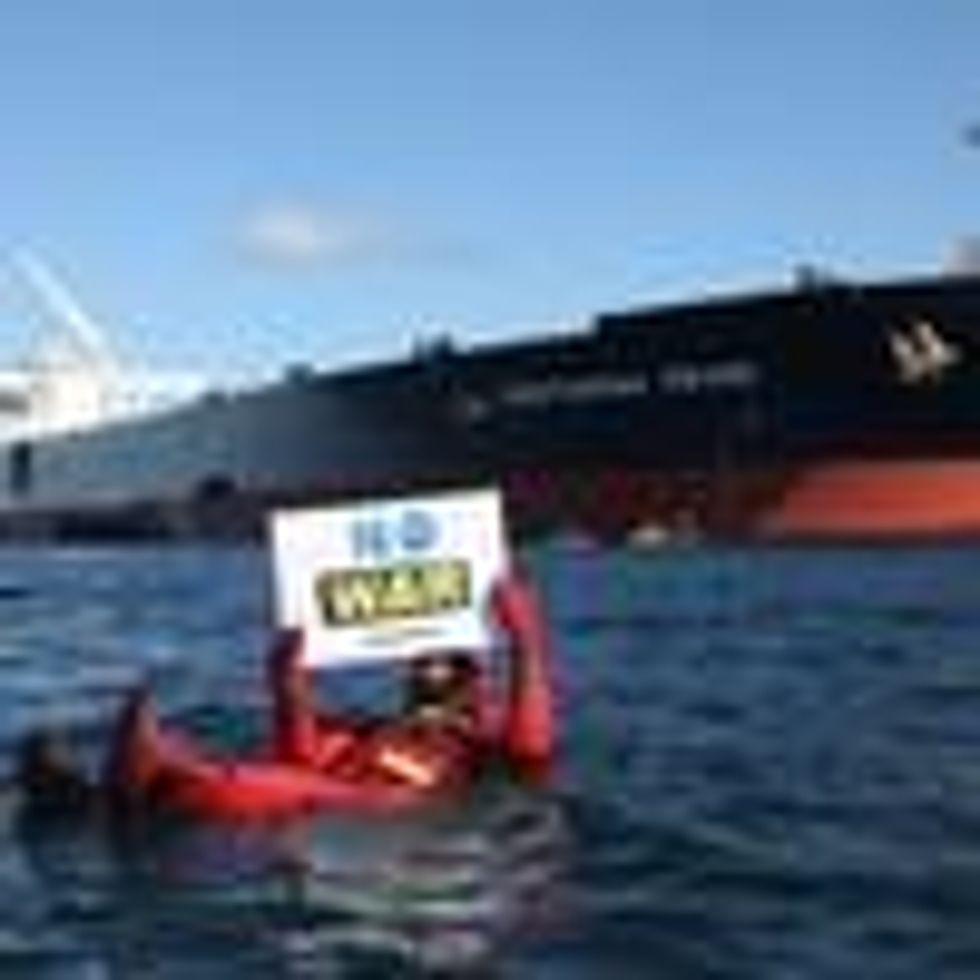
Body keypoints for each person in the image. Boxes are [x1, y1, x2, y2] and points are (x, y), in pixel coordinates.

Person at [16, 573, 556, 824]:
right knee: (301, 774)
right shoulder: (380, 731)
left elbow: (532, 749)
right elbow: (306, 754)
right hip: (324, 799)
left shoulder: (484, 757)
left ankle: (142, 783)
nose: (433, 676)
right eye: (424, 668)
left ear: (480, 691)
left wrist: (526, 644)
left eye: (451, 670)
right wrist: (288, 683)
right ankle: (121, 790)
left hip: (365, 815)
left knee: (299, 791)